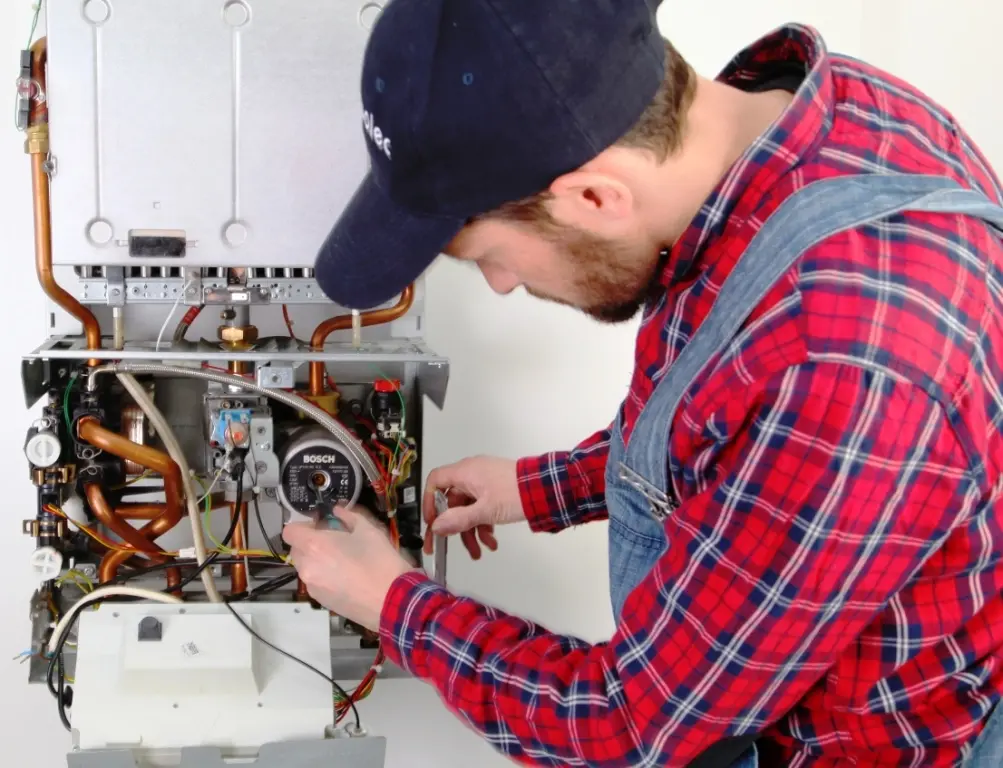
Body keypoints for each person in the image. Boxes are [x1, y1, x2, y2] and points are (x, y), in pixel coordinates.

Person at [282, 1, 1003, 765]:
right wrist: (545, 486)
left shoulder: (848, 356)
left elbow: (631, 730)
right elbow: (737, 432)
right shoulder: (811, 122)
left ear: (595, 198)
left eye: (487, 253)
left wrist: (394, 607)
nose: (497, 285)